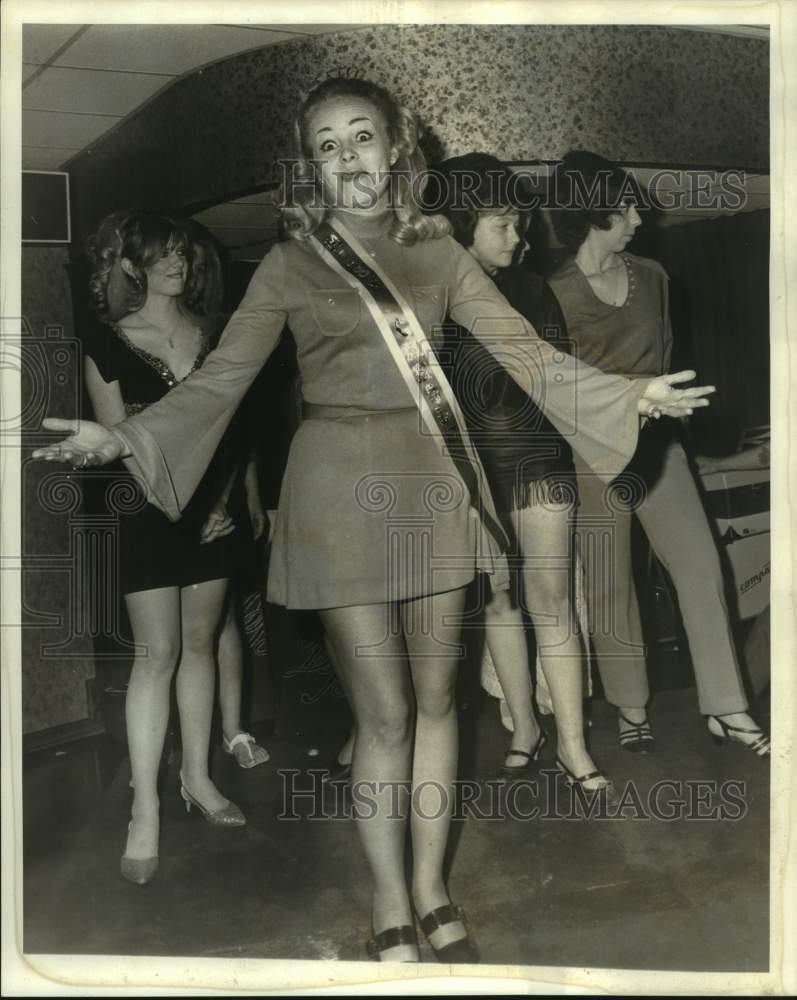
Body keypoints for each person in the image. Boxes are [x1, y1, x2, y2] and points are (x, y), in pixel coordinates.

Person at [35, 78, 713, 962]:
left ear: (395, 149)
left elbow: (525, 355)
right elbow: (221, 378)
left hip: (433, 484)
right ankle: (389, 901)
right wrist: (120, 438)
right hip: (339, 494)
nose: (347, 156)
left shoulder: (440, 256)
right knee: (384, 712)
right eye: (326, 144)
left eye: (362, 137)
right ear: (311, 165)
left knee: (439, 701)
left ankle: (433, 889)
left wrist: (631, 392)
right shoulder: (290, 263)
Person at [546, 150, 769, 758]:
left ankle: (728, 706)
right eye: (627, 207)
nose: (640, 218)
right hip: (594, 457)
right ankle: (631, 707)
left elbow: (667, 361)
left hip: (659, 450)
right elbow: (555, 388)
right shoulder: (554, 292)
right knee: (611, 584)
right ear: (596, 212)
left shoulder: (654, 276)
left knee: (701, 569)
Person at [427, 152, 611, 791]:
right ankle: (525, 729)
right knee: (499, 602)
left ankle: (572, 745)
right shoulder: (428, 293)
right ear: (458, 223)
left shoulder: (534, 288)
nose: (517, 236)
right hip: (473, 469)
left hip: (537, 460)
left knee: (552, 600)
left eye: (517, 222)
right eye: (502, 224)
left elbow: (556, 381)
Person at [80, 210, 247, 888]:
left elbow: (230, 431)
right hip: (147, 514)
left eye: (182, 250)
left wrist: (218, 503)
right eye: (161, 253)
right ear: (133, 266)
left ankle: (198, 777)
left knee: (201, 648)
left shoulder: (213, 336)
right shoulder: (110, 342)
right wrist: (181, 507)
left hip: (211, 514)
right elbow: (121, 441)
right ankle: (143, 807)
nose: (176, 262)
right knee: (158, 656)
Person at [181, 218, 270, 769]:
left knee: (223, 618)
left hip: (221, 488)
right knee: (183, 630)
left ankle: (234, 731)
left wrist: (250, 492)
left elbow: (242, 431)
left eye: (192, 260)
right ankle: (188, 739)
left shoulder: (220, 331)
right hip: (175, 495)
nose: (184, 270)